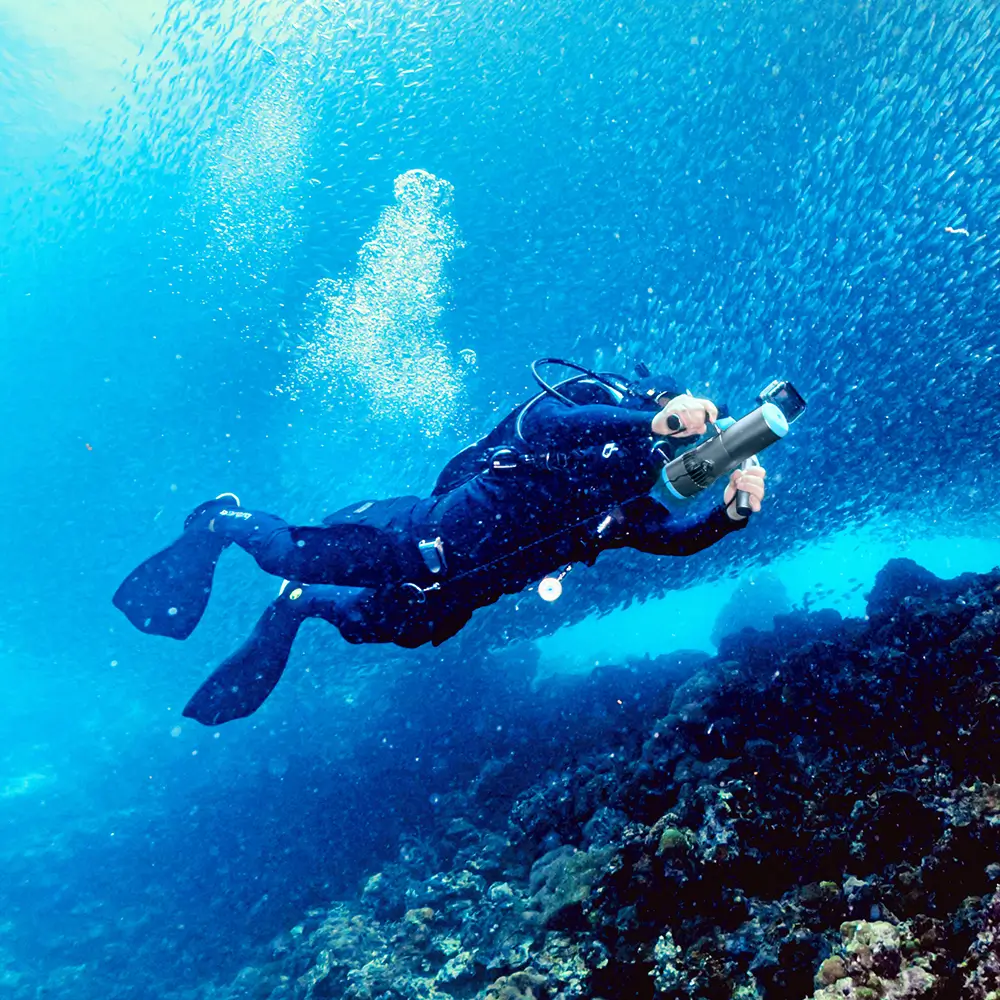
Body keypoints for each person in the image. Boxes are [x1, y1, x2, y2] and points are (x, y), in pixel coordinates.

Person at [113, 365, 767, 725]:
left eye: (682, 440)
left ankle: (298, 604)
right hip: (409, 538)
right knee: (285, 551)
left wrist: (730, 516)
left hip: (450, 598)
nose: (672, 444)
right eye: (676, 424)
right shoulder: (584, 406)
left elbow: (674, 541)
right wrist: (648, 417)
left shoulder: (625, 500)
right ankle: (219, 519)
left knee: (363, 628)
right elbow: (550, 422)